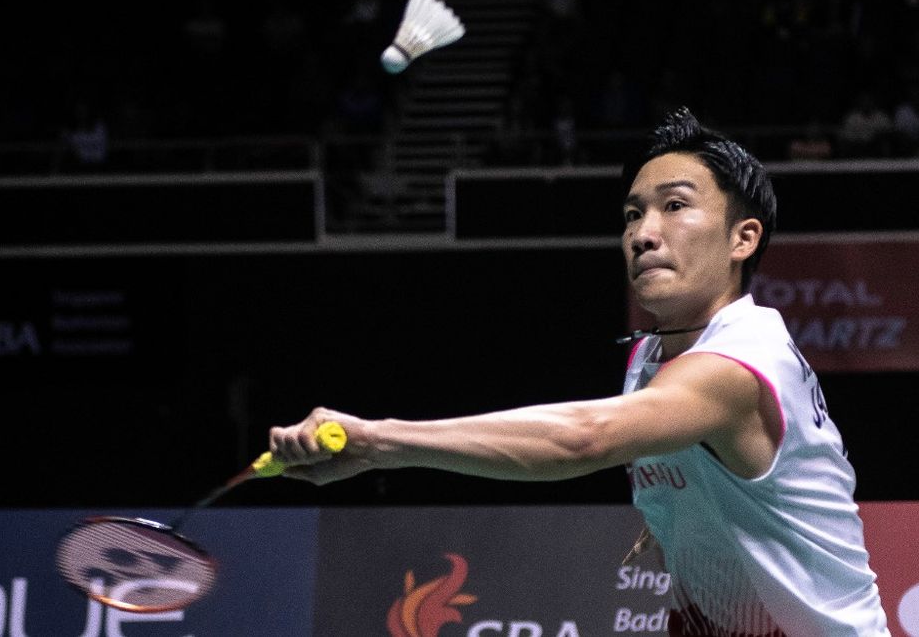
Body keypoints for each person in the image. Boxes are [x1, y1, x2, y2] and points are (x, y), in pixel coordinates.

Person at [267, 108, 889, 636]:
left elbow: (584, 438)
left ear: (742, 238)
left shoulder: (739, 363)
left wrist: (379, 443)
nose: (644, 234)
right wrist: (681, 515)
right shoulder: (652, 354)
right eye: (631, 214)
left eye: (675, 206)